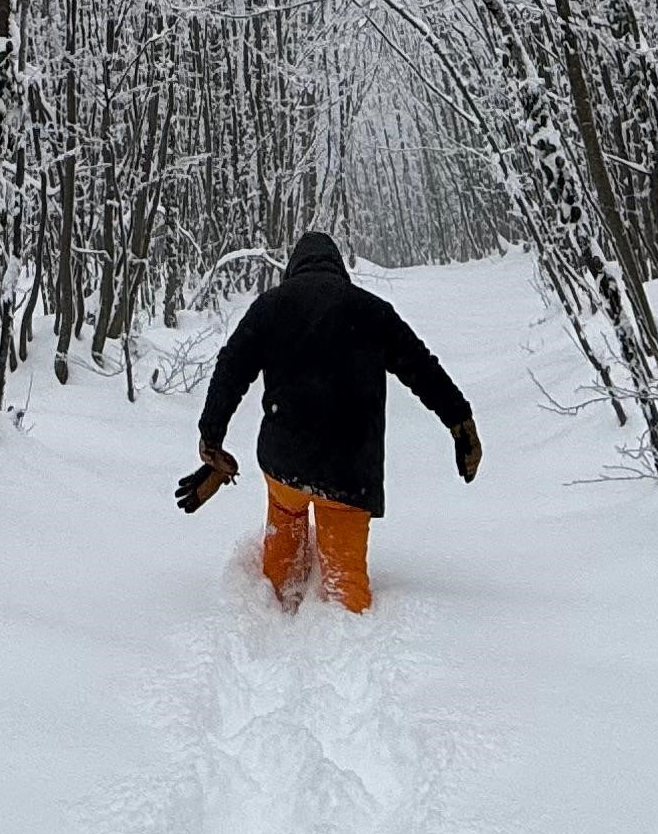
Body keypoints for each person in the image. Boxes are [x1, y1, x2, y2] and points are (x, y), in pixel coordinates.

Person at [176, 231, 478, 613]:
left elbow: (229, 370)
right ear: (339, 269)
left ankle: (275, 607)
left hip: (284, 465)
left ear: (292, 269)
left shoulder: (270, 307)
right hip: (349, 473)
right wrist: (460, 421)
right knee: (346, 587)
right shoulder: (371, 311)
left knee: (284, 532)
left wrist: (211, 440)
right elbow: (423, 369)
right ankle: (344, 630)